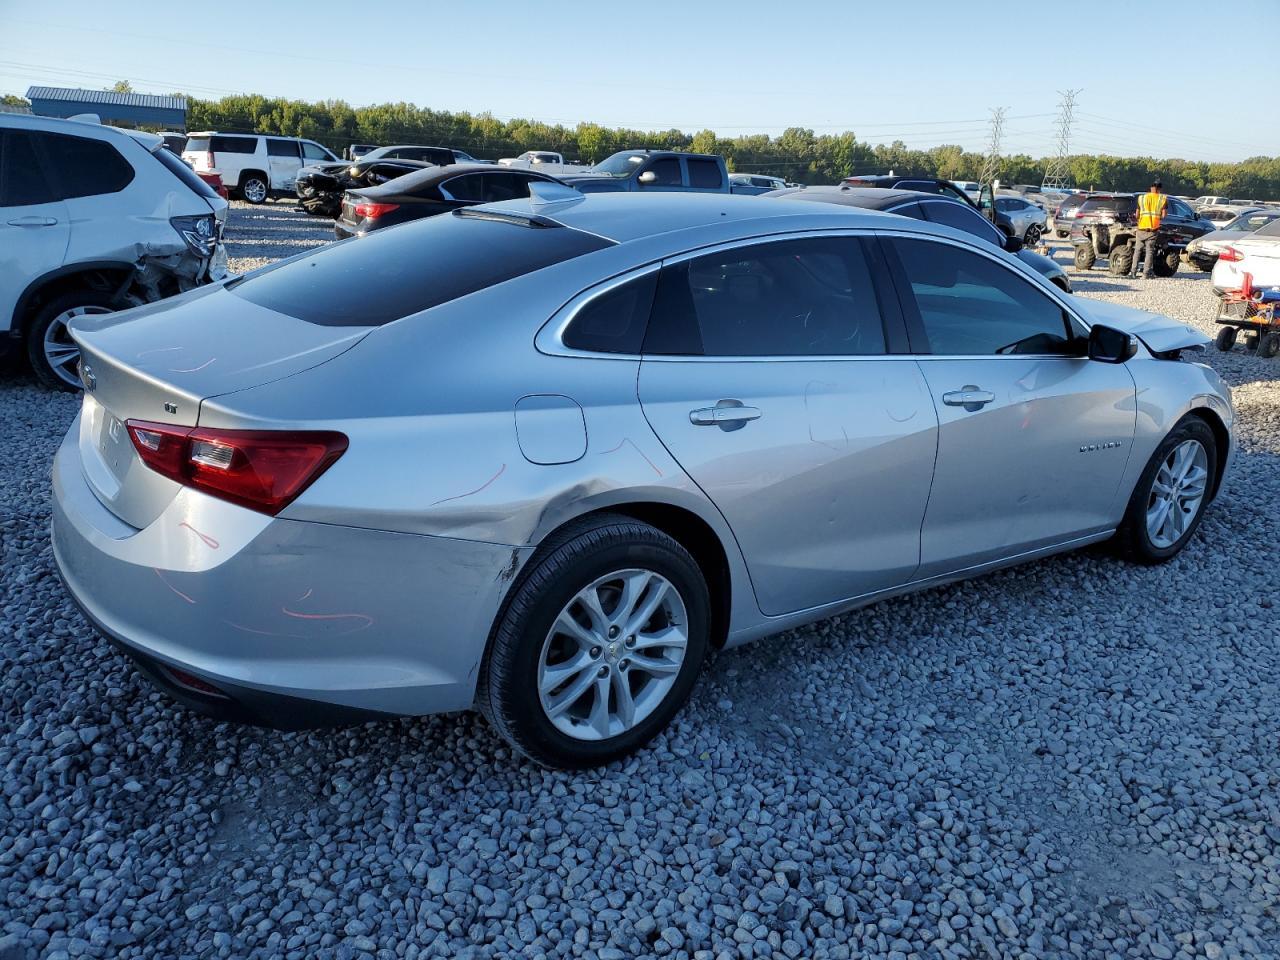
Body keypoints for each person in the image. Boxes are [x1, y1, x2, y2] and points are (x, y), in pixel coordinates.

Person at [1131, 180, 1168, 278]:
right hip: (1153, 230)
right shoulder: (1162, 198)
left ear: (1150, 188)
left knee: (1137, 251)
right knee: (1149, 252)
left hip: (1141, 228)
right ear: (1159, 189)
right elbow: (1164, 215)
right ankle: (1145, 274)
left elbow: (1137, 214)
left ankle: (1133, 273)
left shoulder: (1142, 198)